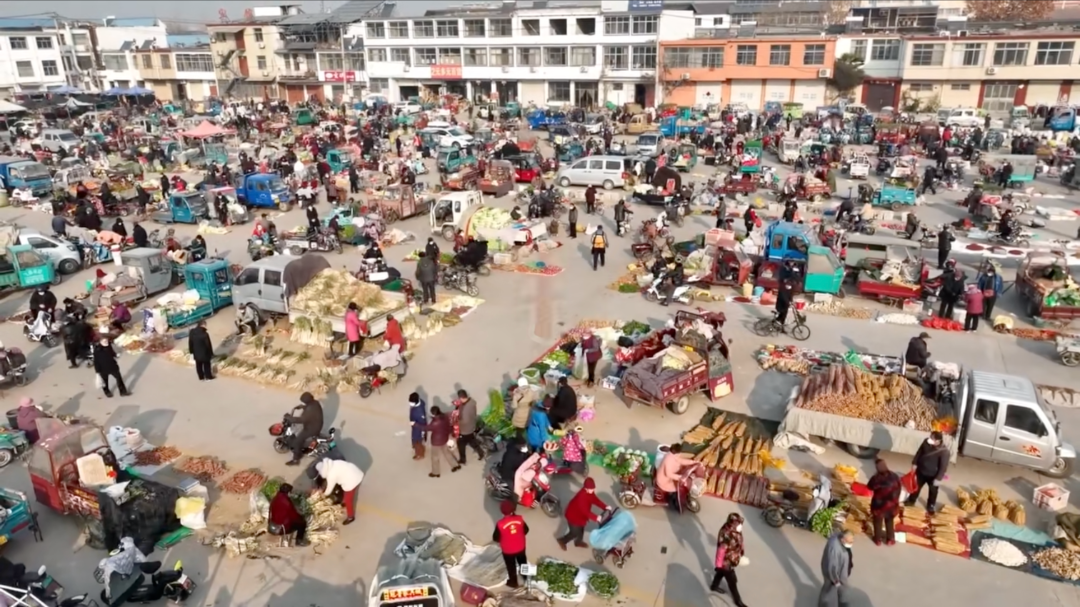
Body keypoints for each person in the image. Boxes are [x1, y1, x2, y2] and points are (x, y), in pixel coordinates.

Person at [557, 477, 609, 550]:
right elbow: (585, 511)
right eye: (591, 489)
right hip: (573, 516)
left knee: (581, 529)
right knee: (574, 532)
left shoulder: (589, 492)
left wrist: (605, 507)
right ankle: (562, 540)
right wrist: (596, 517)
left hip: (580, 516)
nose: (593, 490)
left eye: (593, 488)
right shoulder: (581, 497)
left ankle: (578, 542)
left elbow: (595, 500)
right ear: (586, 488)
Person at [710, 513, 748, 607]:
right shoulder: (726, 534)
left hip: (733, 557)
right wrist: (718, 565)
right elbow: (721, 551)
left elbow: (740, 541)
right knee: (732, 582)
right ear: (733, 524)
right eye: (739, 524)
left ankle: (714, 586)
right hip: (726, 561)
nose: (740, 526)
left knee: (720, 573)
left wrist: (741, 551)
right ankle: (737, 600)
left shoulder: (736, 530)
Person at [905, 431, 949, 513]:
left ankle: (931, 505)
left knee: (933, 492)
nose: (930, 439)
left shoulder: (944, 451)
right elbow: (919, 452)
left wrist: (938, 478)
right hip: (921, 471)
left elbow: (943, 466)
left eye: (932, 438)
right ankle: (911, 501)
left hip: (933, 475)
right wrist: (914, 463)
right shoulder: (926, 442)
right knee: (916, 487)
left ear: (938, 441)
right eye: (930, 437)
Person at [314, 458, 363, 525]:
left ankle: (350, 517)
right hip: (355, 472)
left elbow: (329, 490)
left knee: (348, 499)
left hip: (352, 480)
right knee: (347, 494)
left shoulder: (331, 475)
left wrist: (323, 495)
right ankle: (345, 502)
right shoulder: (333, 463)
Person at [493, 501, 529, 588]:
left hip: (508, 550)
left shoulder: (500, 524)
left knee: (511, 566)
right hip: (521, 547)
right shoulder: (519, 519)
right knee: (523, 562)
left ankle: (513, 582)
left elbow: (496, 538)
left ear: (502, 511)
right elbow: (526, 530)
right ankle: (527, 578)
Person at [867, 459, 901, 546]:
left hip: (879, 505)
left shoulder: (876, 478)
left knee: (878, 522)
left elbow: (869, 487)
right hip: (892, 505)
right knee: (889, 521)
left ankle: (877, 539)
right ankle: (890, 539)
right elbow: (899, 488)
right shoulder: (894, 476)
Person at [285, 392, 324, 466]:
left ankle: (296, 459)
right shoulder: (315, 403)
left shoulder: (310, 410)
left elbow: (301, 420)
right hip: (317, 424)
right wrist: (303, 407)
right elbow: (309, 408)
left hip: (312, 428)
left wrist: (290, 418)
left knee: (297, 442)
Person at [419, 405, 458, 477]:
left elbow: (426, 428)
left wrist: (415, 425)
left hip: (436, 442)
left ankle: (436, 472)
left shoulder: (435, 422)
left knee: (435, 457)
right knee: (447, 453)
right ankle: (455, 465)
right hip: (444, 438)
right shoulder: (445, 417)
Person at [818, 530, 854, 607]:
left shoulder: (840, 541)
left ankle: (838, 602)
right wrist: (836, 581)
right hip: (834, 576)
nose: (851, 544)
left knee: (834, 590)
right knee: (829, 591)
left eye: (852, 541)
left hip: (838, 573)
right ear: (842, 539)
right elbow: (832, 568)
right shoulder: (835, 549)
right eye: (849, 542)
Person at [654, 443, 694, 508]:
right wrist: (680, 477)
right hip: (664, 480)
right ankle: (674, 498)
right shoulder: (668, 460)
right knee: (676, 487)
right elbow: (669, 474)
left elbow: (680, 460)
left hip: (671, 477)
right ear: (675, 452)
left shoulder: (673, 455)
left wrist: (692, 462)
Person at [454, 389, 484, 465]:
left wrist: (457, 422)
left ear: (461, 398)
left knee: (460, 444)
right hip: (472, 426)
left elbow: (465, 421)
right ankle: (481, 452)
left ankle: (463, 459)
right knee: (472, 441)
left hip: (465, 430)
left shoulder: (466, 410)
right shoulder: (472, 402)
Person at [408, 392, 427, 460]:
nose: (410, 403)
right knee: (416, 440)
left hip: (418, 429)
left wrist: (414, 424)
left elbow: (423, 423)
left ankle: (419, 454)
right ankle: (417, 449)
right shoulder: (419, 403)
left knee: (417, 441)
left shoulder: (420, 412)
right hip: (415, 426)